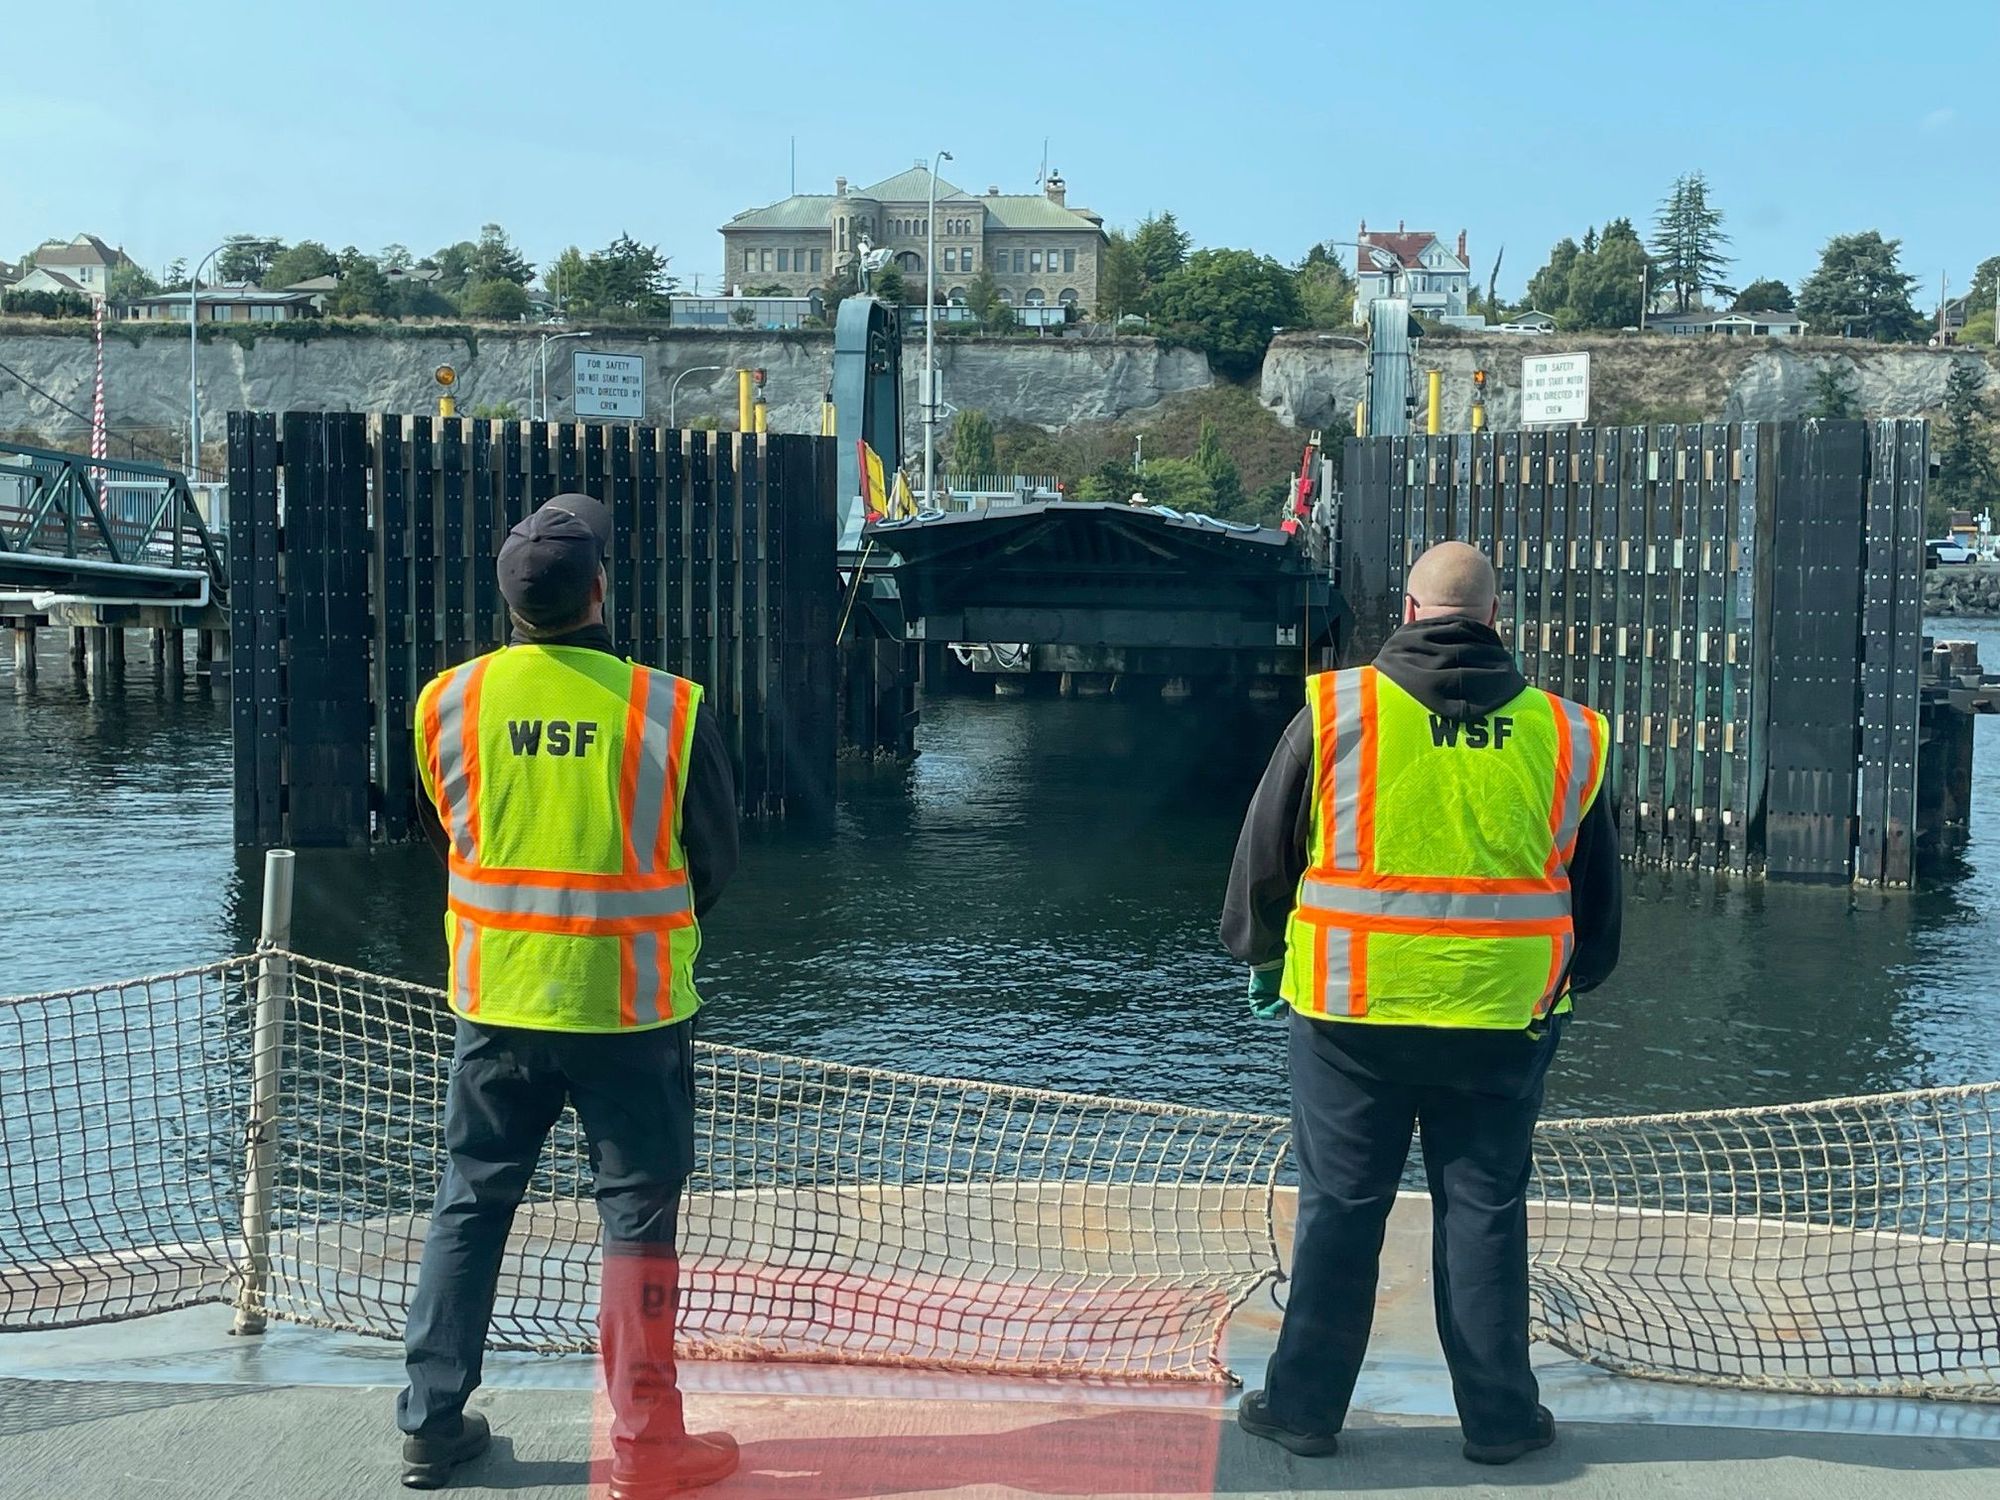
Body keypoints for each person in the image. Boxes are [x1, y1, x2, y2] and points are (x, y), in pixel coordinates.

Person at [1221, 540, 1621, 1466]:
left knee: (1340, 1208)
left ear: (1406, 611)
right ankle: (1500, 1421)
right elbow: (1596, 898)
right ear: (1494, 619)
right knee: (1483, 1212)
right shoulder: (1568, 734)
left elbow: (1265, 856)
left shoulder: (1339, 709)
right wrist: (1574, 979)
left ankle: (1303, 1410)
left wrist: (1260, 950)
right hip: (1501, 1020)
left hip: (1350, 1014)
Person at [397, 493, 742, 1496]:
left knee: (470, 1201)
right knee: (636, 1222)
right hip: (630, 1009)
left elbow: (442, 831)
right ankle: (647, 1446)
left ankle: (431, 1423)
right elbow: (714, 862)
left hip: (497, 1002)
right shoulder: (668, 709)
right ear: (599, 589)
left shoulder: (446, 702)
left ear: (509, 601)